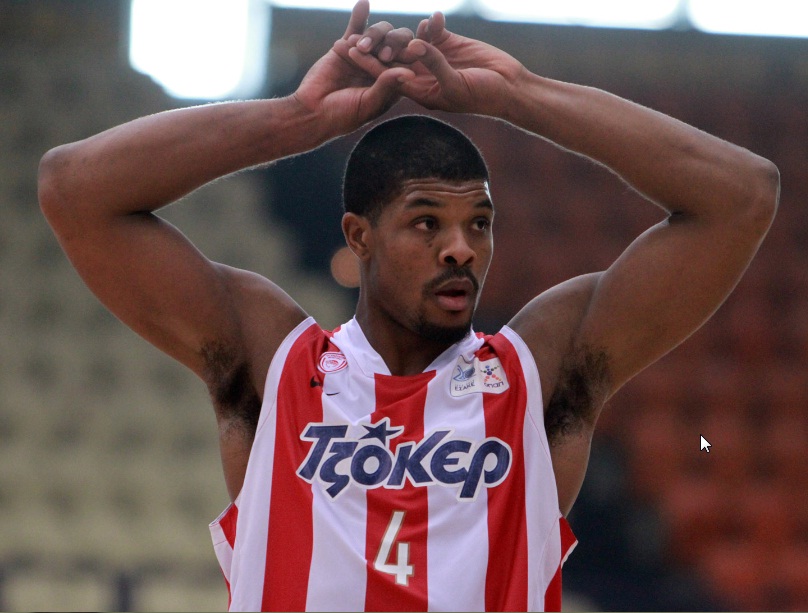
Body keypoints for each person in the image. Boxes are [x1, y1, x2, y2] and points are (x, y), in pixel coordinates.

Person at [38, 1, 779, 611]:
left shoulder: (538, 371)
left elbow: (743, 194)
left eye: (479, 224)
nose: (461, 249)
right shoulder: (275, 360)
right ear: (359, 236)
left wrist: (517, 96)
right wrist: (295, 121)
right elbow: (73, 187)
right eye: (427, 223)